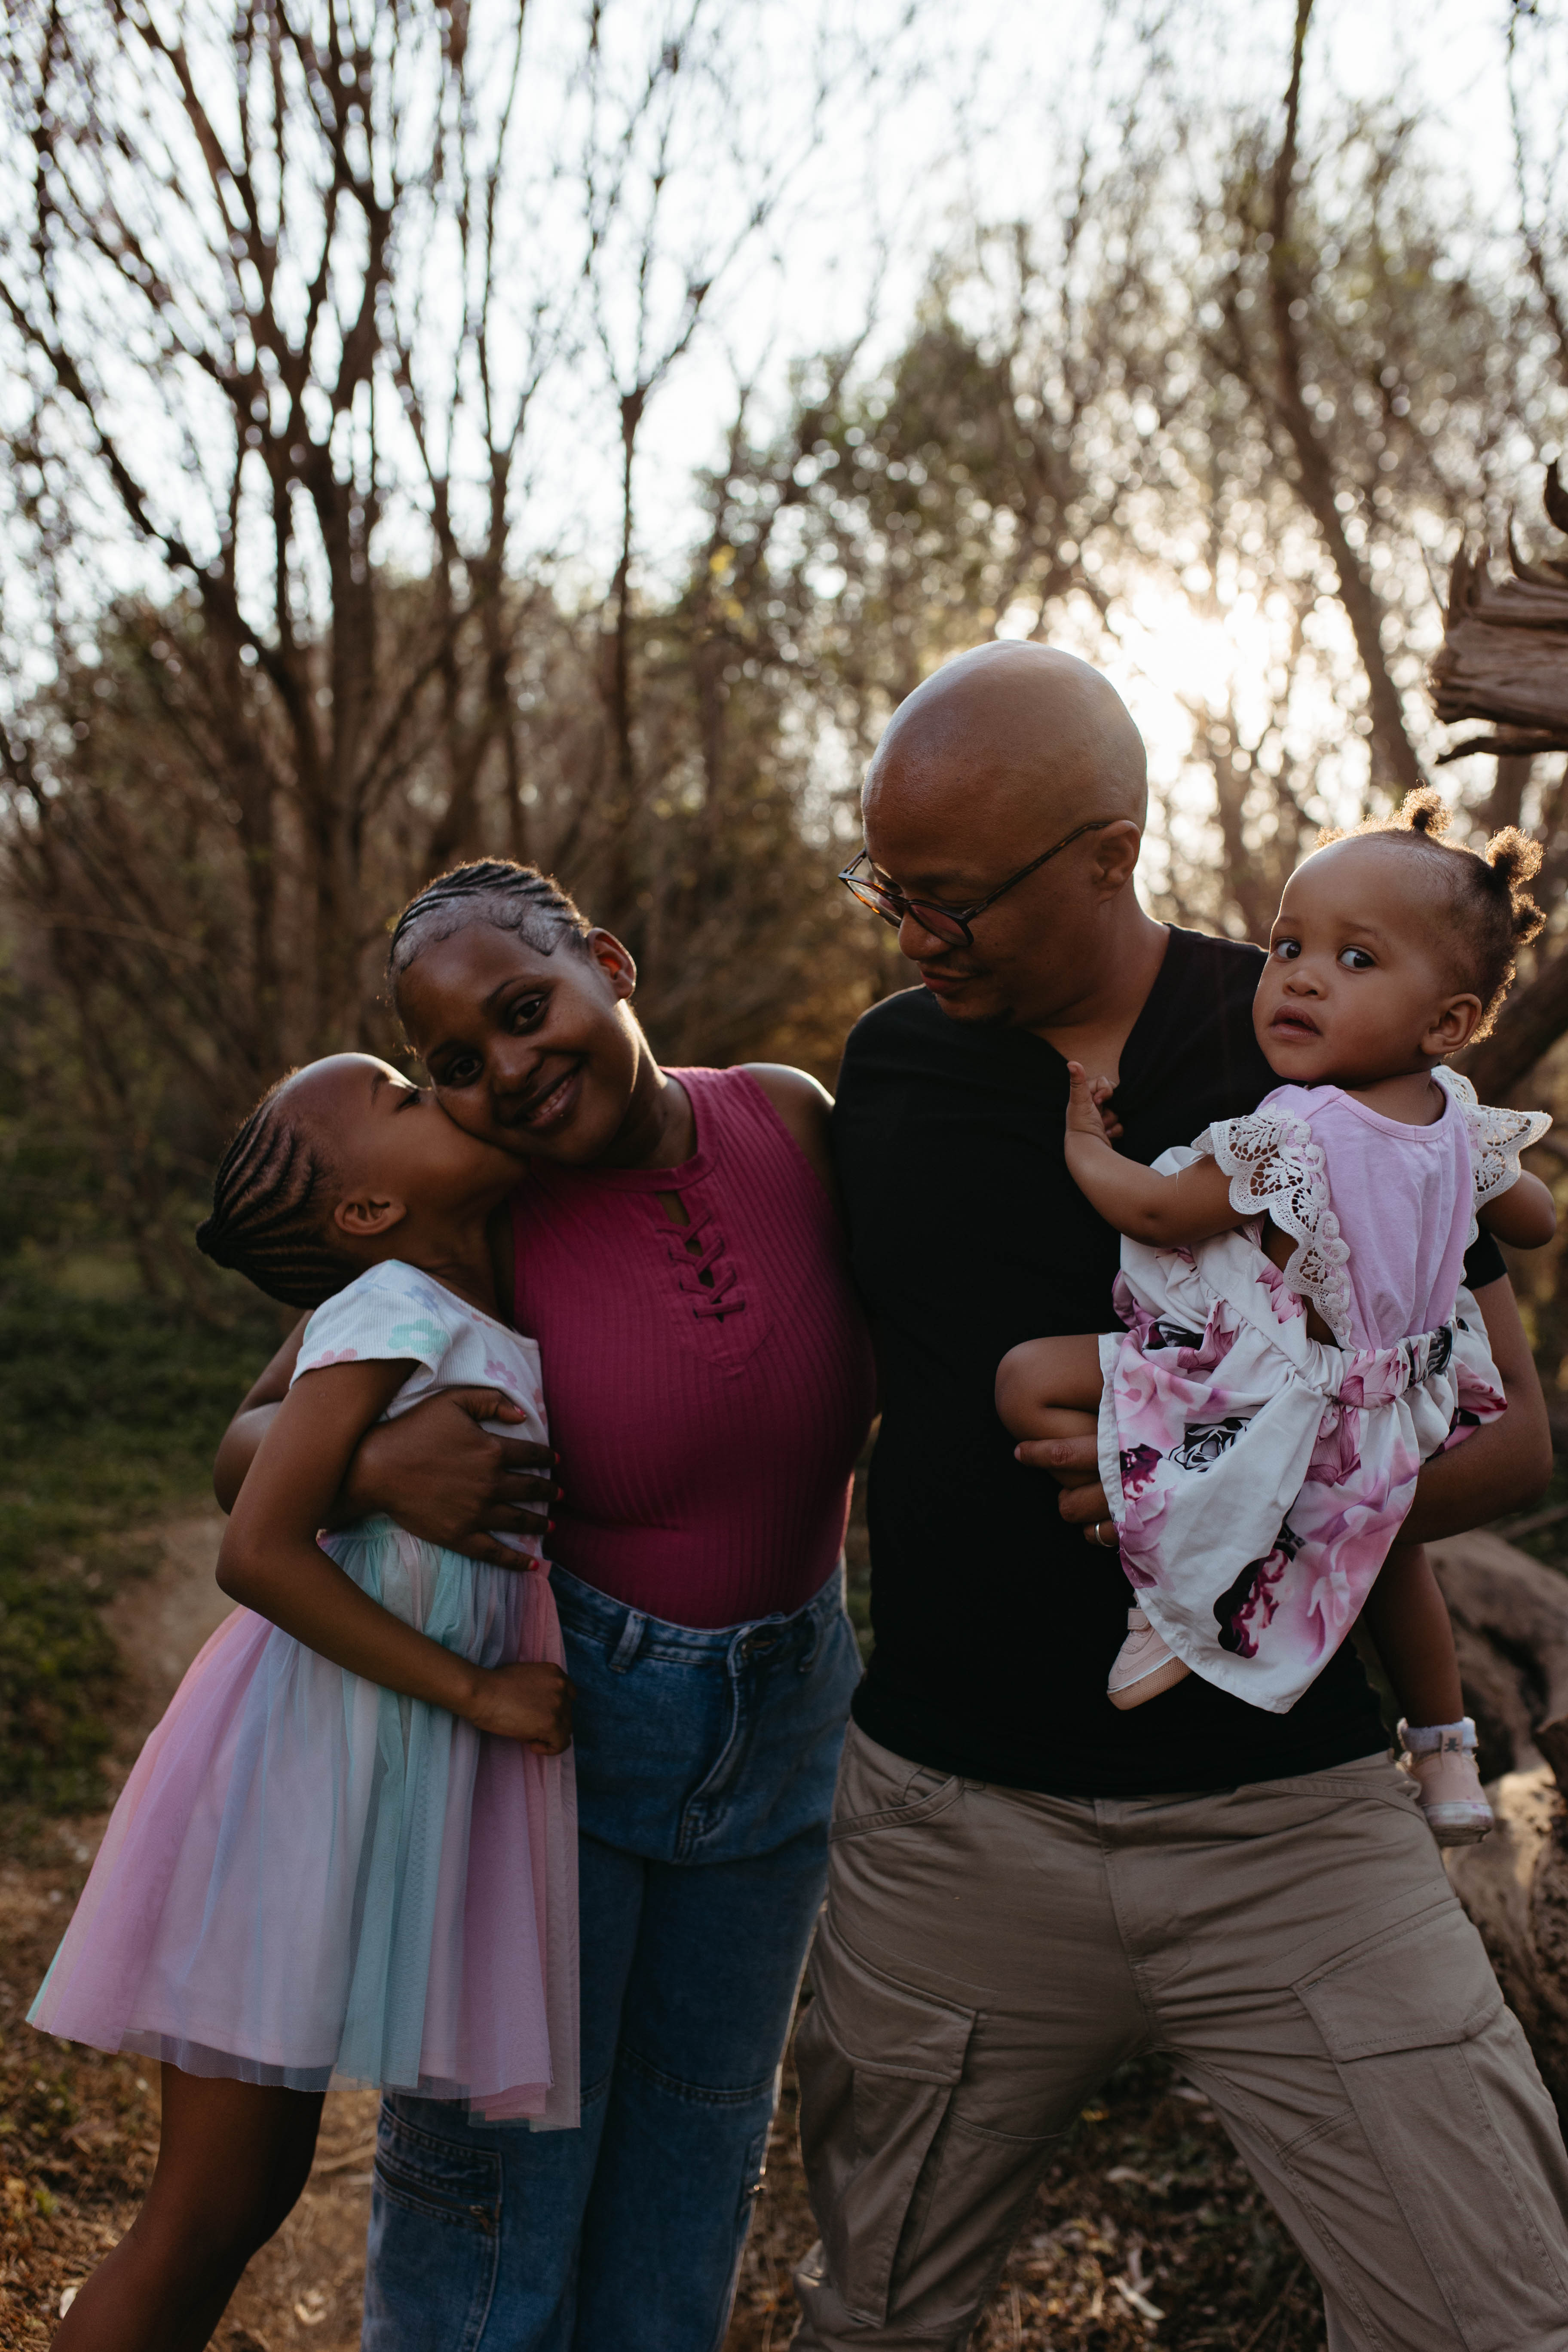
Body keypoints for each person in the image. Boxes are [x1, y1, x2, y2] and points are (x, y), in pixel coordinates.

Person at [797, 640, 1568, 2351]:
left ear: (1108, 855)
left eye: (951, 898)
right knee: (870, 2322)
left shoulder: (1315, 1048)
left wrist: (1233, 1487)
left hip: (1285, 1829)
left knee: (1493, 2318)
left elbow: (1509, 1441)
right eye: (887, 890)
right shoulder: (893, 1071)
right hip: (948, 1831)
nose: (913, 935)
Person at [214, 865, 876, 2352]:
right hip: (559, 1733)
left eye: (525, 1010)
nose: (506, 1072)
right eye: (455, 1062)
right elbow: (245, 1450)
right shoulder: (488, 1209)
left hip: (786, 1737)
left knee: (694, 2170)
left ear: (608, 964)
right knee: (498, 2202)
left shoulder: (788, 1119)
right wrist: (378, 1464)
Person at [33, 1053, 575, 2352]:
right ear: (369, 1209)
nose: (440, 1092)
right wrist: (476, 1690)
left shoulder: (457, 1285)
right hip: (299, 1778)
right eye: (404, 1098)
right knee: (208, 2208)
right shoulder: (388, 1304)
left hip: (367, 1774)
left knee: (253, 2193)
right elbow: (258, 1550)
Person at [995, 794, 1555, 1845]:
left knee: (1028, 1380)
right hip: (1407, 1400)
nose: (1299, 976)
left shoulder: (1299, 1129)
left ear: (1449, 1021)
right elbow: (1536, 1220)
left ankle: (1178, 1604)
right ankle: (1448, 1759)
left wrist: (1083, 1144)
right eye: (1288, 945)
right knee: (1391, 1557)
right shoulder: (1454, 1115)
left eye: (1355, 959)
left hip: (1286, 1394)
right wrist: (1475, 1179)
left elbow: (1157, 1210)